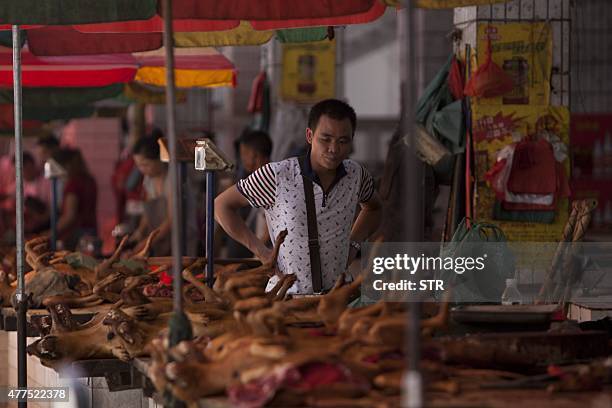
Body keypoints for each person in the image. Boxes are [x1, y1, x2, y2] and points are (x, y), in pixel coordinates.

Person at [215, 99, 383, 294]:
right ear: (310, 135)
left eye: (343, 141)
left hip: (338, 298)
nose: (334, 149)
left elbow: (374, 208)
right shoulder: (277, 175)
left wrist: (353, 244)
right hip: (287, 299)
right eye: (325, 139)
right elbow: (221, 205)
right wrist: (261, 251)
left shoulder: (356, 175)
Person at [130, 135, 198, 256]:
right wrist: (140, 231)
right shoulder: (148, 179)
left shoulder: (174, 177)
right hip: (162, 240)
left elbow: (172, 220)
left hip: (183, 239)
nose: (141, 170)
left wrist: (146, 243)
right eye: (138, 165)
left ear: (159, 159)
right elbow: (148, 211)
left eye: (145, 164)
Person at [225, 130, 273, 258]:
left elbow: (270, 227)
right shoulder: (256, 178)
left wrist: (258, 250)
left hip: (267, 252)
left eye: (245, 154)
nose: (243, 159)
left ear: (256, 156)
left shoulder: (268, 179)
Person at [51, 148, 98, 250]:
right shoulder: (89, 180)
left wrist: (51, 232)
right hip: (91, 231)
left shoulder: (73, 185)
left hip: (76, 236)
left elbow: (70, 216)